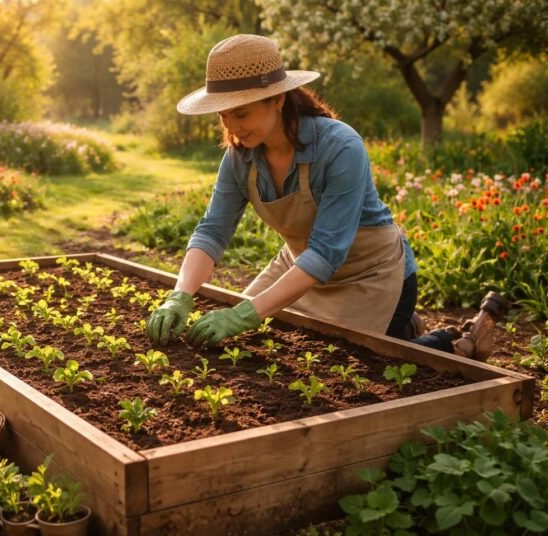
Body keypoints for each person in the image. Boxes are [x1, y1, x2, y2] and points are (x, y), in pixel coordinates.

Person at [145, 34, 509, 360]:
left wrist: (244, 313)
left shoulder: (339, 147)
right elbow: (212, 231)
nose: (232, 127)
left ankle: (457, 341)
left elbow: (325, 252)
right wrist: (180, 295)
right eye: (223, 116)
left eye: (241, 113)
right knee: (261, 343)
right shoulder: (241, 155)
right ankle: (402, 329)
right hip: (300, 265)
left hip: (372, 273)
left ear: (278, 99)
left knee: (354, 364)